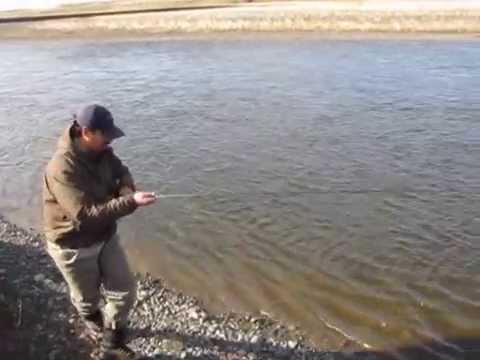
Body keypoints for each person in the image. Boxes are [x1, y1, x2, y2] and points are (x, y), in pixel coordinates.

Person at [42, 104, 156, 359]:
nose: (111, 140)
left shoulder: (102, 151)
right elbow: (85, 217)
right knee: (87, 298)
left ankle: (112, 342)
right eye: (107, 135)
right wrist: (131, 201)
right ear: (86, 132)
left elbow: (121, 169)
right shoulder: (62, 167)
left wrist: (127, 188)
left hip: (105, 236)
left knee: (125, 289)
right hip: (73, 244)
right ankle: (92, 320)